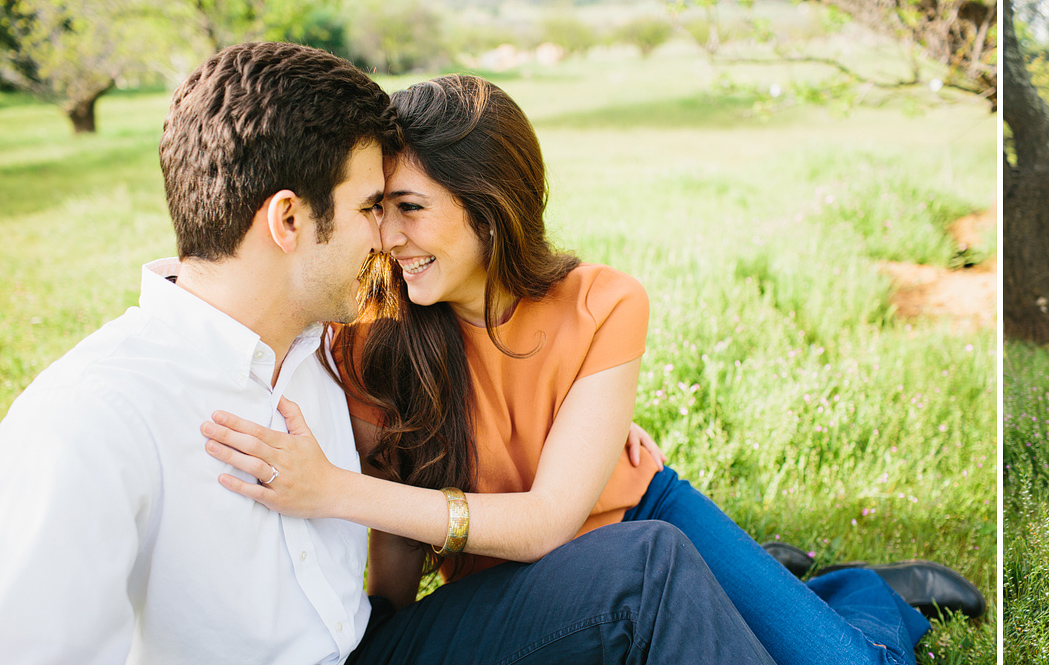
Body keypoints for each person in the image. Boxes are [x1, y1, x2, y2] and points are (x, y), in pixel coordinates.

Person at [0, 42, 773, 664]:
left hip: (379, 643)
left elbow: (416, 474)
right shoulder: (88, 420)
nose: (386, 238)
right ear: (288, 221)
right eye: (373, 207)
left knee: (646, 566)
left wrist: (593, 425)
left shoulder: (322, 347)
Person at [196, 73, 976, 665]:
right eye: (379, 210)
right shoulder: (379, 331)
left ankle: (857, 590)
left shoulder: (604, 302)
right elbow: (394, 504)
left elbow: (543, 519)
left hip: (644, 516)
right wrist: (394, 621)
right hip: (536, 581)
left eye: (411, 208)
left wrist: (334, 489)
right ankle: (760, 576)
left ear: (489, 204)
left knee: (851, 660)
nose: (389, 238)